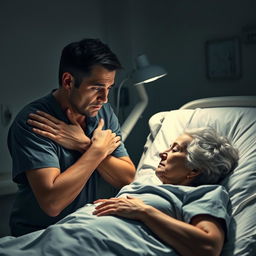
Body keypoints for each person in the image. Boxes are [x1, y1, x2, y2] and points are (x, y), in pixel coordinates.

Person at [0, 127, 238, 256]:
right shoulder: (149, 186)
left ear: (194, 169)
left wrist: (144, 211)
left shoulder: (206, 193)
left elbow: (208, 247)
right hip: (64, 236)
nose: (163, 153)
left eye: (175, 150)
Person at [7, 38, 136, 237]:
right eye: (96, 88)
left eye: (109, 88)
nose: (104, 98)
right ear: (68, 81)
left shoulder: (103, 112)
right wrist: (97, 150)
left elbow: (127, 178)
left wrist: (83, 144)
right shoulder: (35, 121)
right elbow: (52, 203)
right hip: (37, 236)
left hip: (82, 229)